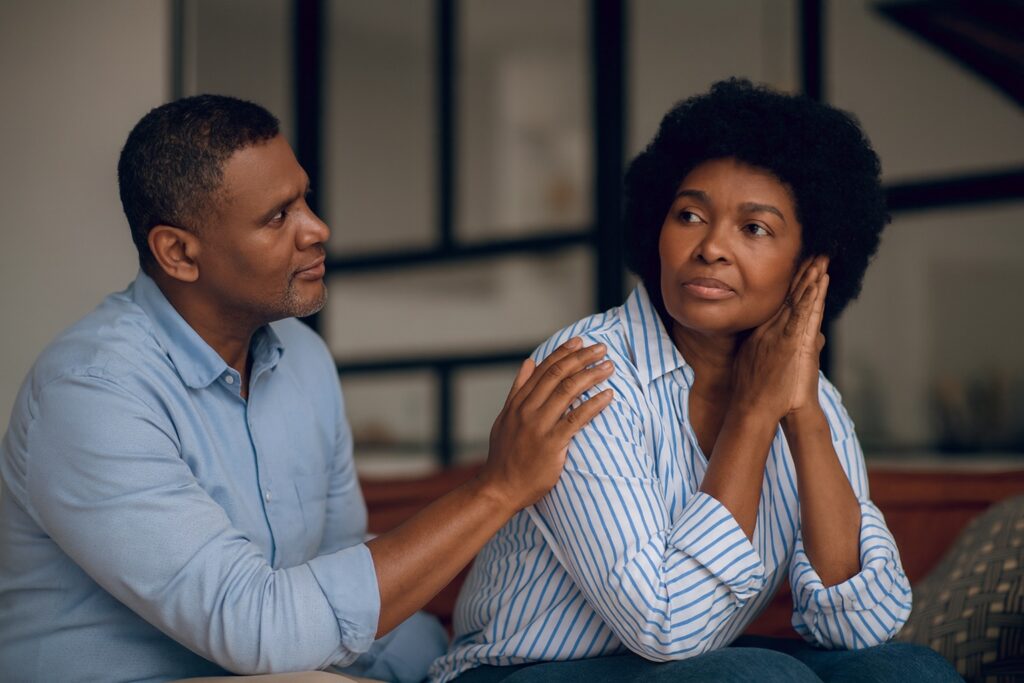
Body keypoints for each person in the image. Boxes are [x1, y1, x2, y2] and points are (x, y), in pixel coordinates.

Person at [0, 95, 615, 682]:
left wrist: (459, 661)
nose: (317, 228)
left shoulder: (301, 356)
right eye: (277, 217)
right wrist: (498, 489)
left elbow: (342, 566)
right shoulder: (92, 394)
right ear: (179, 253)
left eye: (306, 201)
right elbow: (256, 630)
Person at [430, 79, 963, 682]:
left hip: (693, 662)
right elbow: (666, 625)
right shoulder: (588, 369)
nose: (710, 247)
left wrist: (803, 413)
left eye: (754, 229)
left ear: (810, 265)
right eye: (690, 216)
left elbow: (858, 627)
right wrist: (755, 414)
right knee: (756, 676)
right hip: (519, 669)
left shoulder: (809, 395)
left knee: (906, 671)